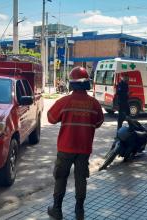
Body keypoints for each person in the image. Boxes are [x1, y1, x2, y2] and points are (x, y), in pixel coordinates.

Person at [47, 67, 104, 220]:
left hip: (65, 148)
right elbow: (98, 122)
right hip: (84, 149)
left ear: (71, 84)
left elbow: (50, 119)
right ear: (87, 84)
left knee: (61, 177)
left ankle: (57, 210)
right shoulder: (94, 104)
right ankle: (80, 211)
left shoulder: (64, 101)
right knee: (81, 179)